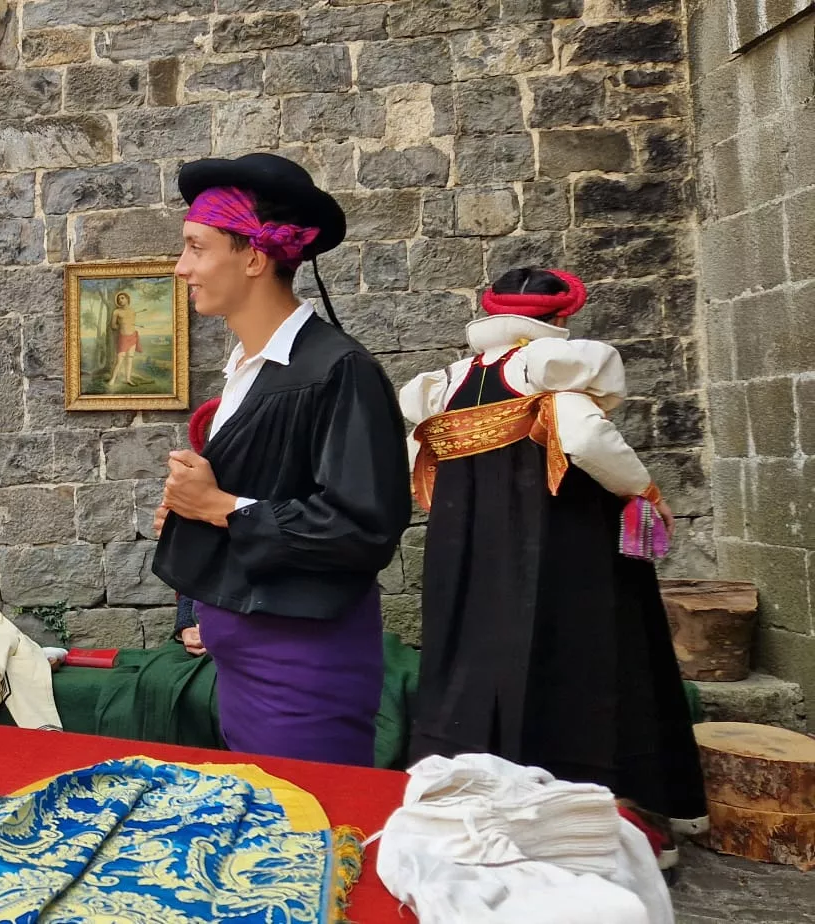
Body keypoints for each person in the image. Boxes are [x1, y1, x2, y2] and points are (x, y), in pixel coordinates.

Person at [401, 267, 705, 859]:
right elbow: (588, 442)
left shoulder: (446, 384)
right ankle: (591, 819)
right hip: (565, 555)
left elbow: (421, 458)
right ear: (560, 317)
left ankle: (475, 806)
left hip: (470, 556)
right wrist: (645, 490)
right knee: (585, 666)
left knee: (470, 665)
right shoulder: (552, 380)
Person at [150, 152, 411, 767]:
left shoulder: (339, 370)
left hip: (301, 662)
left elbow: (364, 526)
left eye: (196, 247)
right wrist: (197, 515)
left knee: (306, 827)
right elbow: (271, 493)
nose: (182, 267)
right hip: (246, 653)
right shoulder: (247, 368)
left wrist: (220, 509)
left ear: (254, 256)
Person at [107, 290, 140, 390]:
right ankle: (113, 379)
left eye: (122, 298)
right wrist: (121, 325)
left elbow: (132, 323)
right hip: (123, 337)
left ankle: (128, 379)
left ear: (127, 299)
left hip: (133, 337)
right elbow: (113, 325)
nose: (120, 300)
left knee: (129, 359)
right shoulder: (116, 311)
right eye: (119, 299)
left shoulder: (133, 311)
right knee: (120, 360)